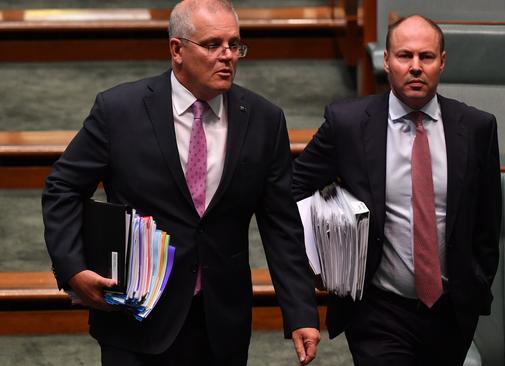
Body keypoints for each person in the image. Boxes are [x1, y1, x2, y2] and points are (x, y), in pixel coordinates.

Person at [42, 1, 320, 365]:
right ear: (177, 50)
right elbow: (62, 188)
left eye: (234, 45)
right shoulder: (119, 110)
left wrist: (300, 311)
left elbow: (281, 224)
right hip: (137, 316)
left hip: (220, 321)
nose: (228, 56)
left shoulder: (264, 120)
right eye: (213, 45)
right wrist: (73, 268)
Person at [292, 14, 501, 365]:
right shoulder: (348, 124)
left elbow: (488, 221)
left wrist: (477, 285)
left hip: (450, 313)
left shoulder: (477, 128)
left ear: (442, 63)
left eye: (427, 57)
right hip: (378, 310)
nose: (416, 67)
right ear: (386, 61)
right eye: (405, 56)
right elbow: (294, 187)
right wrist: (322, 259)